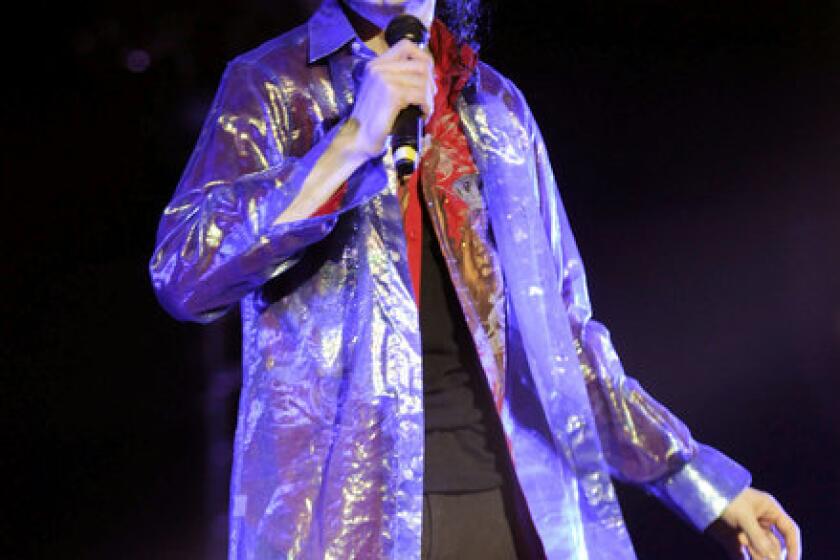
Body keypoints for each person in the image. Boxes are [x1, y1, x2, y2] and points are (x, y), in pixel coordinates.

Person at [149, 0, 801, 558]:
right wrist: (351, 140)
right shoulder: (270, 85)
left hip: (508, 510)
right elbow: (185, 275)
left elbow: (568, 344)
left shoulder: (496, 105)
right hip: (344, 526)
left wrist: (703, 484)